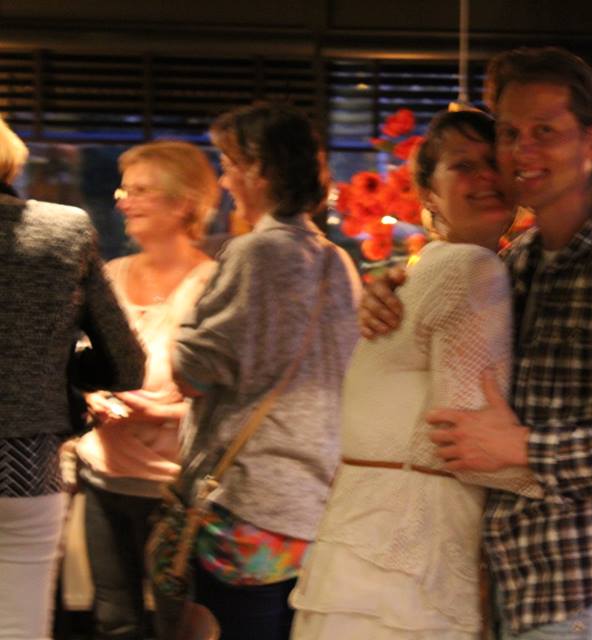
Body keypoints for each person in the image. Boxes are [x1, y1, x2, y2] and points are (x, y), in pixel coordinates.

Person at [361, 47, 592, 640]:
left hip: (586, 587)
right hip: (526, 586)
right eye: (510, 133)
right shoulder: (522, 260)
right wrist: (391, 288)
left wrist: (522, 445)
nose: (522, 151)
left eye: (545, 131)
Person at [289, 110, 542, 640]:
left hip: (361, 553)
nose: (486, 177)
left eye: (494, 163)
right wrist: (586, 481)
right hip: (406, 562)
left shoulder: (430, 267)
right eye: (464, 166)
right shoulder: (471, 268)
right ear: (429, 194)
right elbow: (465, 442)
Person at [173, 103, 361, 640]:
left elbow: (191, 372)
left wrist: (185, 325)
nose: (224, 180)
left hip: (249, 504)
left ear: (259, 168)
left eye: (229, 164)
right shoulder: (337, 261)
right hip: (316, 505)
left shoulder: (255, 253)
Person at [0, 116, 145, 640]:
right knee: (20, 625)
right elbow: (125, 365)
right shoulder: (63, 230)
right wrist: (62, 366)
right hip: (24, 465)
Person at [72, 141, 219, 640]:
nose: (123, 202)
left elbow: (227, 396)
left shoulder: (213, 285)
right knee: (114, 620)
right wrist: (91, 397)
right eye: (123, 190)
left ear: (183, 203)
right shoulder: (110, 276)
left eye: (140, 191)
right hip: (104, 477)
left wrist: (155, 414)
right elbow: (80, 365)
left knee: (179, 623)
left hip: (177, 489)